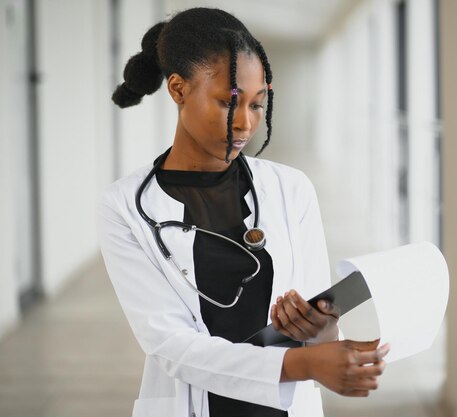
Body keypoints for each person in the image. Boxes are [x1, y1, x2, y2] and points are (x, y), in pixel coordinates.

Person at [98, 7, 389, 417]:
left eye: (257, 105)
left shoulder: (291, 190)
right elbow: (170, 344)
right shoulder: (125, 206)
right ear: (178, 90)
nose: (245, 124)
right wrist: (302, 363)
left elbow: (321, 325)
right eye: (227, 102)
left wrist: (322, 330)